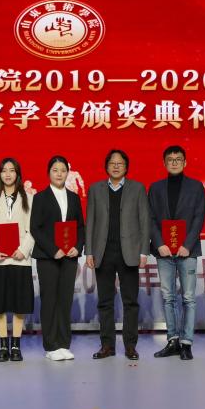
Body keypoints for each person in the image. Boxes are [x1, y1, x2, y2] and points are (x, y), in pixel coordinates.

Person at [85, 149, 150, 361]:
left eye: (120, 163)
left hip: (129, 252)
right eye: (112, 163)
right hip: (103, 252)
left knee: (130, 301)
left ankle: (130, 345)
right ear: (106, 166)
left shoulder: (137, 188)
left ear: (126, 167)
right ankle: (107, 345)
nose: (115, 166)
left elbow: (145, 221)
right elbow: (90, 222)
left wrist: (144, 251)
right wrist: (89, 251)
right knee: (105, 301)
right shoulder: (95, 189)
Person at [148, 145, 205, 360]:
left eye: (178, 159)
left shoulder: (196, 186)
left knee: (188, 298)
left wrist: (188, 244)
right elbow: (150, 218)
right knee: (168, 297)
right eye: (170, 159)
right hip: (163, 250)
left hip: (187, 251)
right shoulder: (155, 188)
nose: (174, 162)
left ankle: (186, 343)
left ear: (185, 162)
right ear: (164, 163)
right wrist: (159, 243)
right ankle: (172, 340)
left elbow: (199, 216)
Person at [30, 155, 85, 361]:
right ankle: (51, 345)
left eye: (63, 170)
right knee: (50, 300)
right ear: (48, 173)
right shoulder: (40, 197)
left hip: (69, 257)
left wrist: (77, 247)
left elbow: (80, 227)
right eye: (55, 170)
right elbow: (35, 228)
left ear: (67, 173)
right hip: (48, 257)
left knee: (65, 299)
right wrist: (54, 250)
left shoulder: (74, 197)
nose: (59, 174)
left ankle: (63, 343)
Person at [0, 158, 35, 362]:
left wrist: (23, 250)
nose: (8, 174)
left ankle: (16, 345)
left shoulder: (29, 198)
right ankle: (3, 345)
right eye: (4, 170)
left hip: (20, 259)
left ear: (17, 174)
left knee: (20, 304)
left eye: (11, 170)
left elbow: (32, 228)